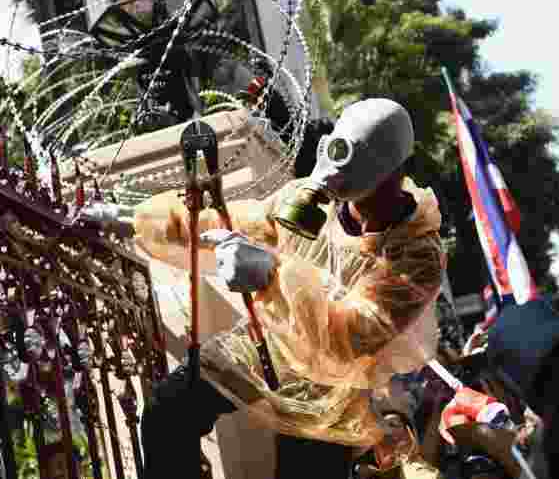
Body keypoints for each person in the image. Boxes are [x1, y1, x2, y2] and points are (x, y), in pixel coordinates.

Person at [133, 98, 446, 478]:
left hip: (331, 389)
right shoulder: (312, 200)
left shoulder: (417, 254)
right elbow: (235, 223)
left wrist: (271, 274)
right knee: (168, 412)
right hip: (269, 346)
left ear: (400, 171)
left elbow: (351, 334)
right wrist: (145, 221)